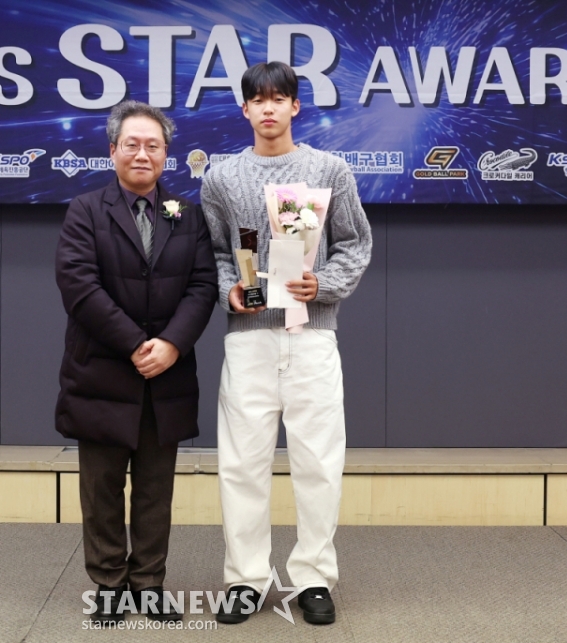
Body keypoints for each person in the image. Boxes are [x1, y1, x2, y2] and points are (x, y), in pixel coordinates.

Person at [200, 62, 372, 625]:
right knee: (241, 463)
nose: (269, 108)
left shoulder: (328, 169)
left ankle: (313, 578)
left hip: (313, 335)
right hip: (249, 341)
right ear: (244, 109)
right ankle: (245, 579)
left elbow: (355, 245)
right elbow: (220, 255)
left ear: (296, 107)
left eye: (280, 99)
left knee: (318, 462)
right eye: (259, 100)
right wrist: (230, 293)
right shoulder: (221, 178)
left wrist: (323, 284)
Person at [55, 100, 218, 624]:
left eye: (153, 145)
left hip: (165, 376)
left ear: (167, 155)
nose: (142, 153)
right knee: (101, 488)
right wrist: (134, 343)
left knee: (154, 488)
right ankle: (108, 584)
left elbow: (202, 286)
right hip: (102, 372)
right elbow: (79, 286)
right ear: (113, 151)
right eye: (132, 144)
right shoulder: (84, 210)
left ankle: (149, 583)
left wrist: (170, 344)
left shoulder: (187, 216)